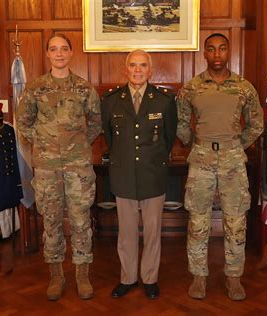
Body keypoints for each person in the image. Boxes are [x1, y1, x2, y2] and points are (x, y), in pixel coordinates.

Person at [177, 33, 263, 301]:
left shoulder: (244, 88)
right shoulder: (191, 88)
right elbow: (181, 125)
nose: (217, 54)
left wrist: (236, 144)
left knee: (236, 222)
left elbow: (256, 123)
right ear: (204, 53)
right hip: (201, 160)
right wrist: (198, 145)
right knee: (198, 221)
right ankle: (199, 277)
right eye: (211, 49)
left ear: (228, 52)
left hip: (233, 161)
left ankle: (233, 277)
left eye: (222, 49)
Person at [16, 34, 101, 301]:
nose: (59, 53)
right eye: (54, 49)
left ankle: (82, 275)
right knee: (51, 222)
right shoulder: (35, 88)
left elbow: (96, 122)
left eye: (64, 49)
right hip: (47, 168)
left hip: (78, 168)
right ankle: (56, 275)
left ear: (71, 53)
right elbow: (24, 122)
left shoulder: (84, 88)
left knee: (80, 221)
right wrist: (44, 145)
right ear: (48, 54)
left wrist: (77, 146)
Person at [101, 49, 177, 300]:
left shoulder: (164, 101)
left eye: (142, 65)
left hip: (153, 175)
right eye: (133, 65)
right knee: (126, 233)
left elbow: (168, 139)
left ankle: (150, 278)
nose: (137, 70)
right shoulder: (112, 100)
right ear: (126, 69)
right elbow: (110, 140)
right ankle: (128, 278)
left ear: (150, 70)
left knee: (153, 232)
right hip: (123, 177)